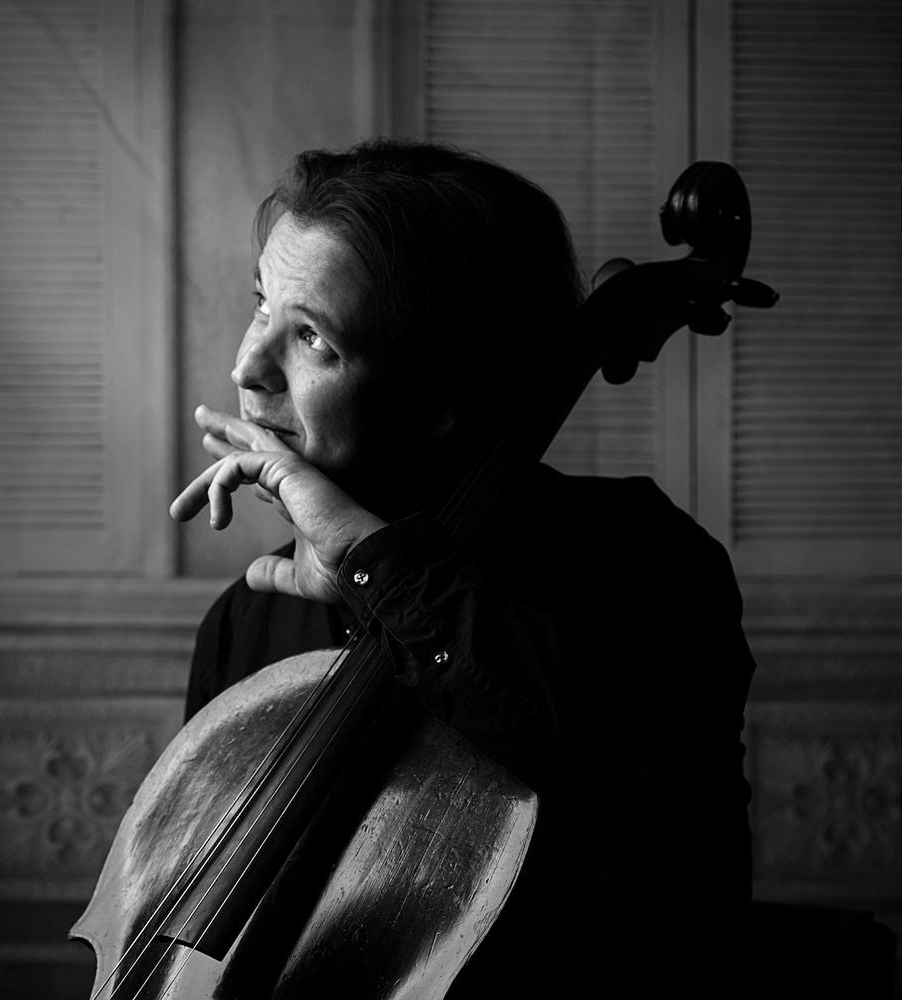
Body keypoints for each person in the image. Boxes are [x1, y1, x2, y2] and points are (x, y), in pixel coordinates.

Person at [170, 139, 755, 995]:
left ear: (448, 394)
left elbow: (655, 822)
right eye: (262, 305)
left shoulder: (643, 563)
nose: (246, 369)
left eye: (313, 337)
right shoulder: (246, 622)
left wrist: (377, 568)